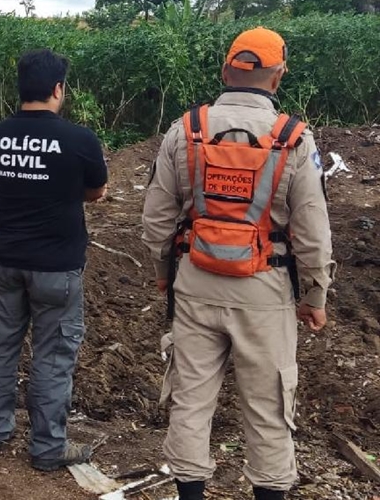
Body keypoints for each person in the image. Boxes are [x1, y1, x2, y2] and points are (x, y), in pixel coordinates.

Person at [142, 27, 336, 500]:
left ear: (226, 69)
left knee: (190, 399)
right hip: (264, 291)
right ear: (278, 76)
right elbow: (313, 233)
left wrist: (165, 277)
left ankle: (189, 493)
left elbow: (156, 222)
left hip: (195, 282)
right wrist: (314, 296)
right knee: (269, 407)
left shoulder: (185, 130)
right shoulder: (293, 138)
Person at [0, 48, 108, 472]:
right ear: (57, 89)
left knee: (0, 346)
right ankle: (48, 447)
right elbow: (96, 192)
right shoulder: (80, 140)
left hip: (5, 259)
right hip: (56, 266)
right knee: (52, 356)